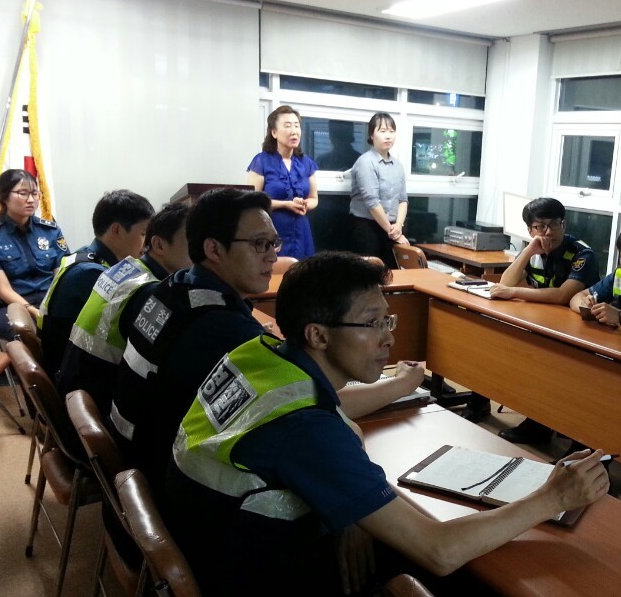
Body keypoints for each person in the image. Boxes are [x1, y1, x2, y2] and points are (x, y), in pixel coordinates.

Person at [163, 251, 610, 597]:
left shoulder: (260, 354)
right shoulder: (304, 429)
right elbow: (439, 550)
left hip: (211, 559)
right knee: (469, 589)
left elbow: (333, 417)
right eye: (372, 324)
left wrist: (351, 511)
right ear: (318, 335)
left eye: (388, 320)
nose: (389, 338)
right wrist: (552, 497)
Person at [110, 188, 424, 495]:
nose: (272, 255)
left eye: (274, 243)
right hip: (162, 477)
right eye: (260, 244)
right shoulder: (223, 329)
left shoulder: (173, 288)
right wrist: (402, 385)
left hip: (136, 456)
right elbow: (312, 400)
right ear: (214, 250)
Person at [463, 197, 600, 444]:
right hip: (541, 322)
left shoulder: (582, 254)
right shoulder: (534, 250)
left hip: (575, 333)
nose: (548, 232)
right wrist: (528, 251)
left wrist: (514, 292)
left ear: (564, 225)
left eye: (554, 224)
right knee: (492, 340)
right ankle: (480, 399)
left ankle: (540, 425)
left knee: (541, 359)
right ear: (530, 230)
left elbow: (562, 296)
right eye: (540, 226)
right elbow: (505, 282)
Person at [57, 202, 192, 416]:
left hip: (77, 386)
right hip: (98, 404)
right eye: (192, 242)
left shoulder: (126, 268)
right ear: (159, 245)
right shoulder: (150, 292)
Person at [37, 190, 154, 378]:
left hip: (63, 363)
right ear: (116, 230)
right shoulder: (93, 274)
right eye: (143, 234)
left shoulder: (85, 256)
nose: (148, 244)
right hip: (71, 376)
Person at [0, 169, 67, 341]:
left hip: (49, 301)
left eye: (34, 193)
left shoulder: (50, 230)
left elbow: (61, 275)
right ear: (4, 196)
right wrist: (34, 311)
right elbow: (3, 289)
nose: (31, 200)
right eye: (23, 193)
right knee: (25, 330)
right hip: (11, 306)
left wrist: (56, 306)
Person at [246, 105, 319, 259]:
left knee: (303, 269)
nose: (294, 131)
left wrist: (304, 204)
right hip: (272, 229)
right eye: (287, 126)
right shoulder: (262, 161)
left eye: (297, 126)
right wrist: (286, 204)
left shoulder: (306, 163)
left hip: (301, 230)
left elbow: (314, 198)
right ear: (274, 132)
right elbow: (252, 201)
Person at [349, 112, 408, 268]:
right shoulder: (365, 162)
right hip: (368, 228)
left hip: (393, 228)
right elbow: (372, 203)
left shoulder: (398, 165)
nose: (388, 136)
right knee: (370, 275)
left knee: (394, 274)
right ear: (371, 135)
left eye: (391, 131)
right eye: (382, 131)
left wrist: (399, 225)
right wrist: (393, 233)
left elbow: (403, 199)